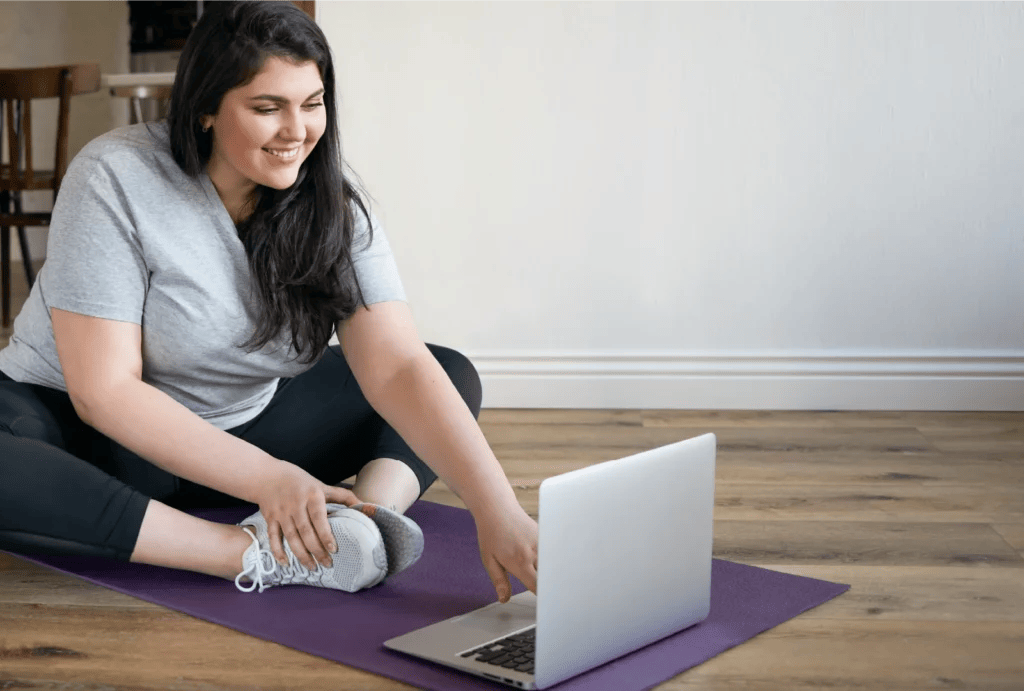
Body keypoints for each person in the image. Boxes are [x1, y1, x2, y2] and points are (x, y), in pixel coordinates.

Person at [0, 0, 537, 602]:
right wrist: (272, 479)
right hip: (97, 438)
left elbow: (397, 364)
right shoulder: (116, 176)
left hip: (244, 428)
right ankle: (255, 553)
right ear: (205, 107)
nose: (297, 131)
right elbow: (105, 393)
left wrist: (500, 511)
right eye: (267, 108)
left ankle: (356, 525)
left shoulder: (332, 205)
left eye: (312, 105)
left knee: (444, 372)